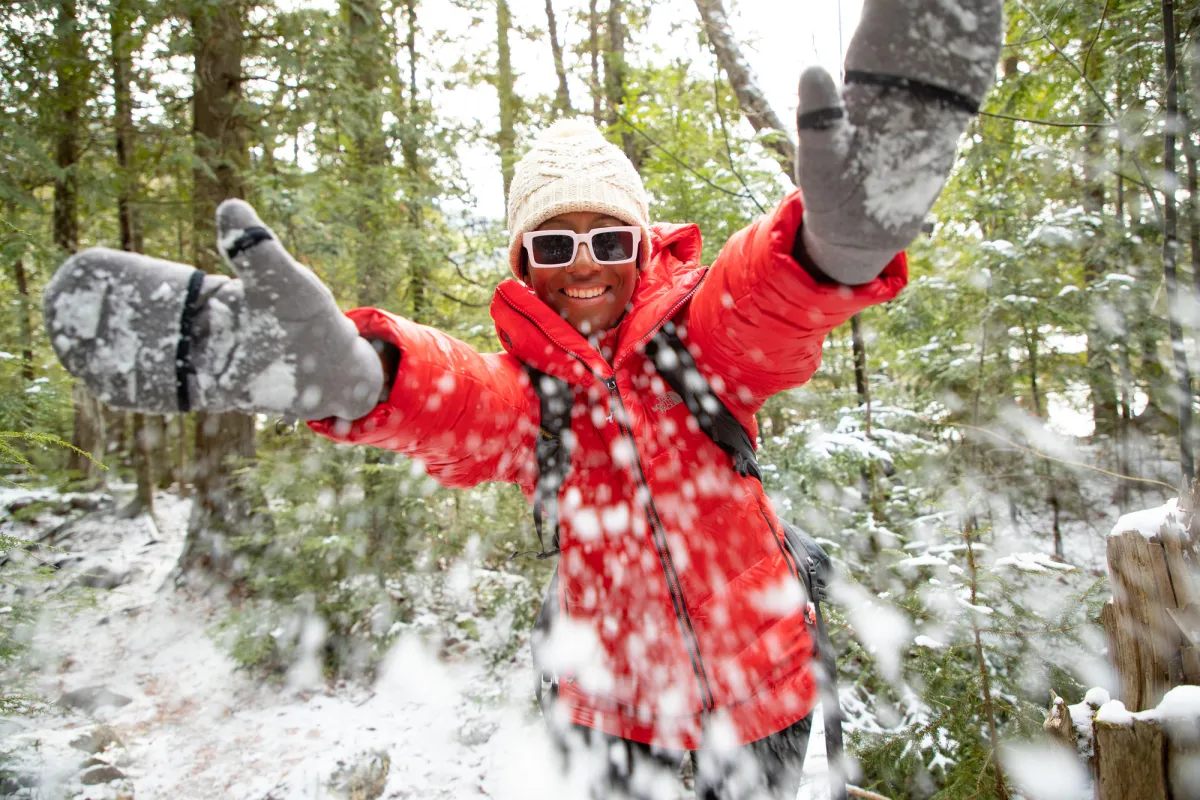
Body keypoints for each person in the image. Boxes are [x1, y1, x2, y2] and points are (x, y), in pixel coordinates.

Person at [43, 1, 1001, 797]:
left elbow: (763, 301)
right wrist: (359, 375)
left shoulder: (700, 347)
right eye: (553, 245)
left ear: (642, 248)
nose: (584, 266)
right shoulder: (533, 400)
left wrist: (831, 251)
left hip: (767, 706)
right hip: (612, 726)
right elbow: (453, 399)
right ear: (523, 268)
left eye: (608, 240)